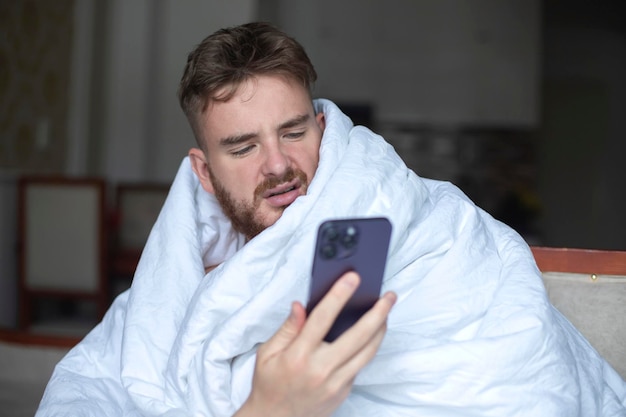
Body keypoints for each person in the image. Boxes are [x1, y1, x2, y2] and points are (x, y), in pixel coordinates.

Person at [36, 22, 625, 417]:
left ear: (322, 129)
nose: (279, 165)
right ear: (205, 172)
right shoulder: (169, 294)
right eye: (242, 148)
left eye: (293, 133)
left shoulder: (425, 222)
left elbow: (520, 375)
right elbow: (93, 388)